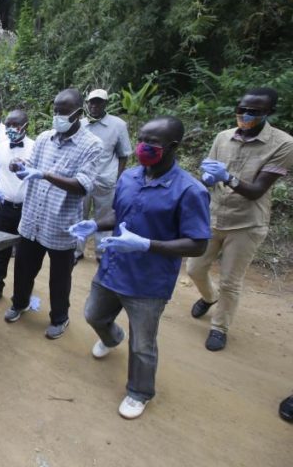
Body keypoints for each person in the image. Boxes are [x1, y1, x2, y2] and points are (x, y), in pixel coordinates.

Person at [69, 116, 211, 419]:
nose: (143, 146)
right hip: (113, 267)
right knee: (93, 314)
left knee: (143, 343)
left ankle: (139, 391)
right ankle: (111, 338)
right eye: (142, 138)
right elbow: (118, 215)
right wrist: (95, 223)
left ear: (173, 147)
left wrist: (149, 245)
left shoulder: (189, 190)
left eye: (153, 142)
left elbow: (197, 244)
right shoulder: (130, 177)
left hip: (148, 280)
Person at [186, 87, 293, 351]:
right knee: (194, 269)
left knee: (231, 281)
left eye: (254, 112)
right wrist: (208, 179)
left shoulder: (283, 144)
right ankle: (209, 297)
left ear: (269, 113)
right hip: (214, 215)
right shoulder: (223, 137)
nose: (245, 115)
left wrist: (228, 178)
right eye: (242, 109)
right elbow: (207, 172)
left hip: (246, 223)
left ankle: (219, 327)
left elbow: (257, 191)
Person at [4, 89, 102, 339]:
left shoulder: (91, 145)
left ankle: (60, 318)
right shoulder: (45, 138)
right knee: (24, 268)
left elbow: (82, 185)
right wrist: (21, 167)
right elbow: (32, 168)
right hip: (32, 218)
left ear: (79, 113)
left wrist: (44, 174)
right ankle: (19, 303)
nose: (57, 115)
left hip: (60, 223)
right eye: (55, 110)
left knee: (59, 277)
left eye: (63, 111)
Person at [0, 110, 34, 309]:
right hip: (4, 208)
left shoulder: (36, 148)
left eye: (16, 125)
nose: (12, 129)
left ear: (25, 126)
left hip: (27, 209)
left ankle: (21, 296)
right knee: (1, 251)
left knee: (24, 255)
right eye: (9, 125)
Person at [75, 88, 132, 265]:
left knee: (104, 217)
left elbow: (123, 154)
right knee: (79, 214)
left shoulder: (118, 125)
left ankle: (102, 252)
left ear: (105, 104)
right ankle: (76, 251)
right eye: (91, 102)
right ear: (87, 104)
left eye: (98, 102)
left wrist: (118, 177)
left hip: (106, 178)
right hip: (82, 178)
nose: (94, 105)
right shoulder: (80, 124)